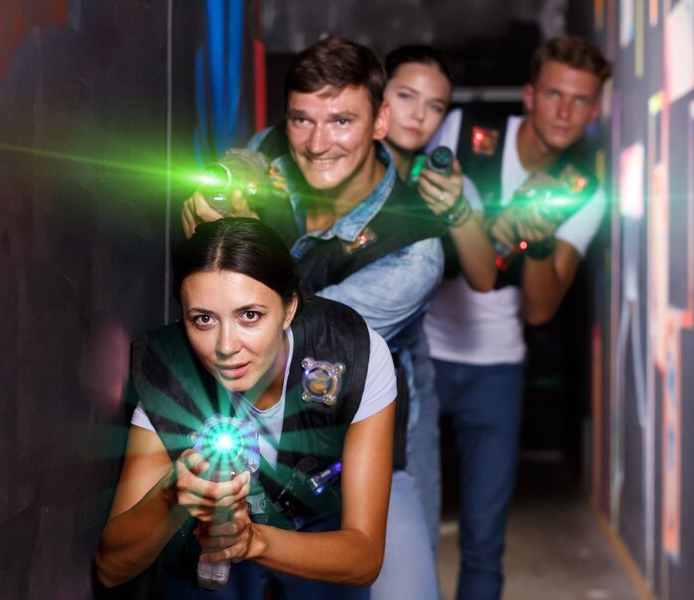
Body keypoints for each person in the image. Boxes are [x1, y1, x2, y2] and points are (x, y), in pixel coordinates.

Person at [182, 36, 448, 600]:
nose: (317, 142)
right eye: (302, 120)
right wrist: (224, 182)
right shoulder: (282, 147)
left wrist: (231, 247)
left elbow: (307, 340)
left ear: (381, 122)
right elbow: (255, 153)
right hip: (250, 421)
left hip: (357, 429)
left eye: (341, 121)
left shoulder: (415, 248)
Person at [95, 218, 397, 598]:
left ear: (289, 309)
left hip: (317, 512)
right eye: (203, 319)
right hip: (207, 537)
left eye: (249, 315)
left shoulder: (351, 352)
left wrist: (253, 541)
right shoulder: (170, 372)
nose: (226, 346)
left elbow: (364, 557)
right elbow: (111, 568)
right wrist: (171, 495)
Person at [423, 35, 612, 599]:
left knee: (484, 541)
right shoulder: (462, 129)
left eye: (580, 101)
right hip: (418, 351)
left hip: (496, 368)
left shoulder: (583, 192)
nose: (564, 111)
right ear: (529, 94)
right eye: (554, 93)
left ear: (595, 110)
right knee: (401, 523)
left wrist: (538, 237)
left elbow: (541, 308)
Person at [379, 44, 495, 553]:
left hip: (408, 365)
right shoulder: (341, 159)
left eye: (435, 106)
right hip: (319, 359)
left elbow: (484, 276)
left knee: (415, 527)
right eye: (406, 95)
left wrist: (457, 213)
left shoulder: (446, 180)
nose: (418, 114)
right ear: (379, 93)